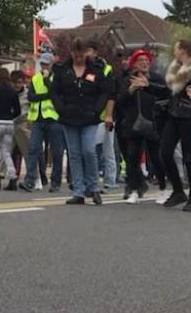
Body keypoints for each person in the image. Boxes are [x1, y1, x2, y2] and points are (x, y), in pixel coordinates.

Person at [50, 38, 115, 206]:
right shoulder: (61, 70)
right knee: (74, 154)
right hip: (69, 117)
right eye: (76, 55)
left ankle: (93, 187)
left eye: (82, 55)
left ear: (86, 53)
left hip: (89, 117)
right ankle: (78, 191)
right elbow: (55, 92)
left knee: (89, 151)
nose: (79, 59)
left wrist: (96, 109)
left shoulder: (96, 69)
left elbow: (105, 92)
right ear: (72, 53)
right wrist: (61, 109)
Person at [114, 48, 168, 205]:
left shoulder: (157, 78)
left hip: (153, 122)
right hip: (133, 123)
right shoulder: (127, 80)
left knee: (156, 158)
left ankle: (163, 189)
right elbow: (119, 101)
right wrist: (131, 90)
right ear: (134, 64)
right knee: (132, 158)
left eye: (147, 60)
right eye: (141, 61)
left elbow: (166, 95)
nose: (145, 63)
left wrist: (148, 85)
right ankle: (134, 189)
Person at [160, 40, 191, 212]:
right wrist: (147, 86)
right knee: (165, 153)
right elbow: (168, 91)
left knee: (188, 156)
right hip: (174, 115)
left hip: (190, 117)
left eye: (176, 48)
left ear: (183, 51)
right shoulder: (175, 70)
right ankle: (178, 191)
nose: (174, 51)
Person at [21, 53, 64, 193]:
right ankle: (29, 181)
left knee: (57, 152)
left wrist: (47, 82)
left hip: (53, 119)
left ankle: (55, 182)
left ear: (52, 64)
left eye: (47, 64)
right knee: (33, 149)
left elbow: (55, 93)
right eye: (43, 63)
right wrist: (46, 95)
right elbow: (31, 97)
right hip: (38, 119)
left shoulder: (57, 77)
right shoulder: (35, 78)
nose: (44, 66)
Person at [85, 41, 119, 191]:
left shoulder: (105, 69)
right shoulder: (85, 69)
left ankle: (110, 180)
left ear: (95, 52)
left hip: (105, 115)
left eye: (89, 51)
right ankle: (92, 180)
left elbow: (110, 93)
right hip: (91, 114)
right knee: (91, 149)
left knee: (106, 149)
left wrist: (109, 115)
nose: (86, 54)